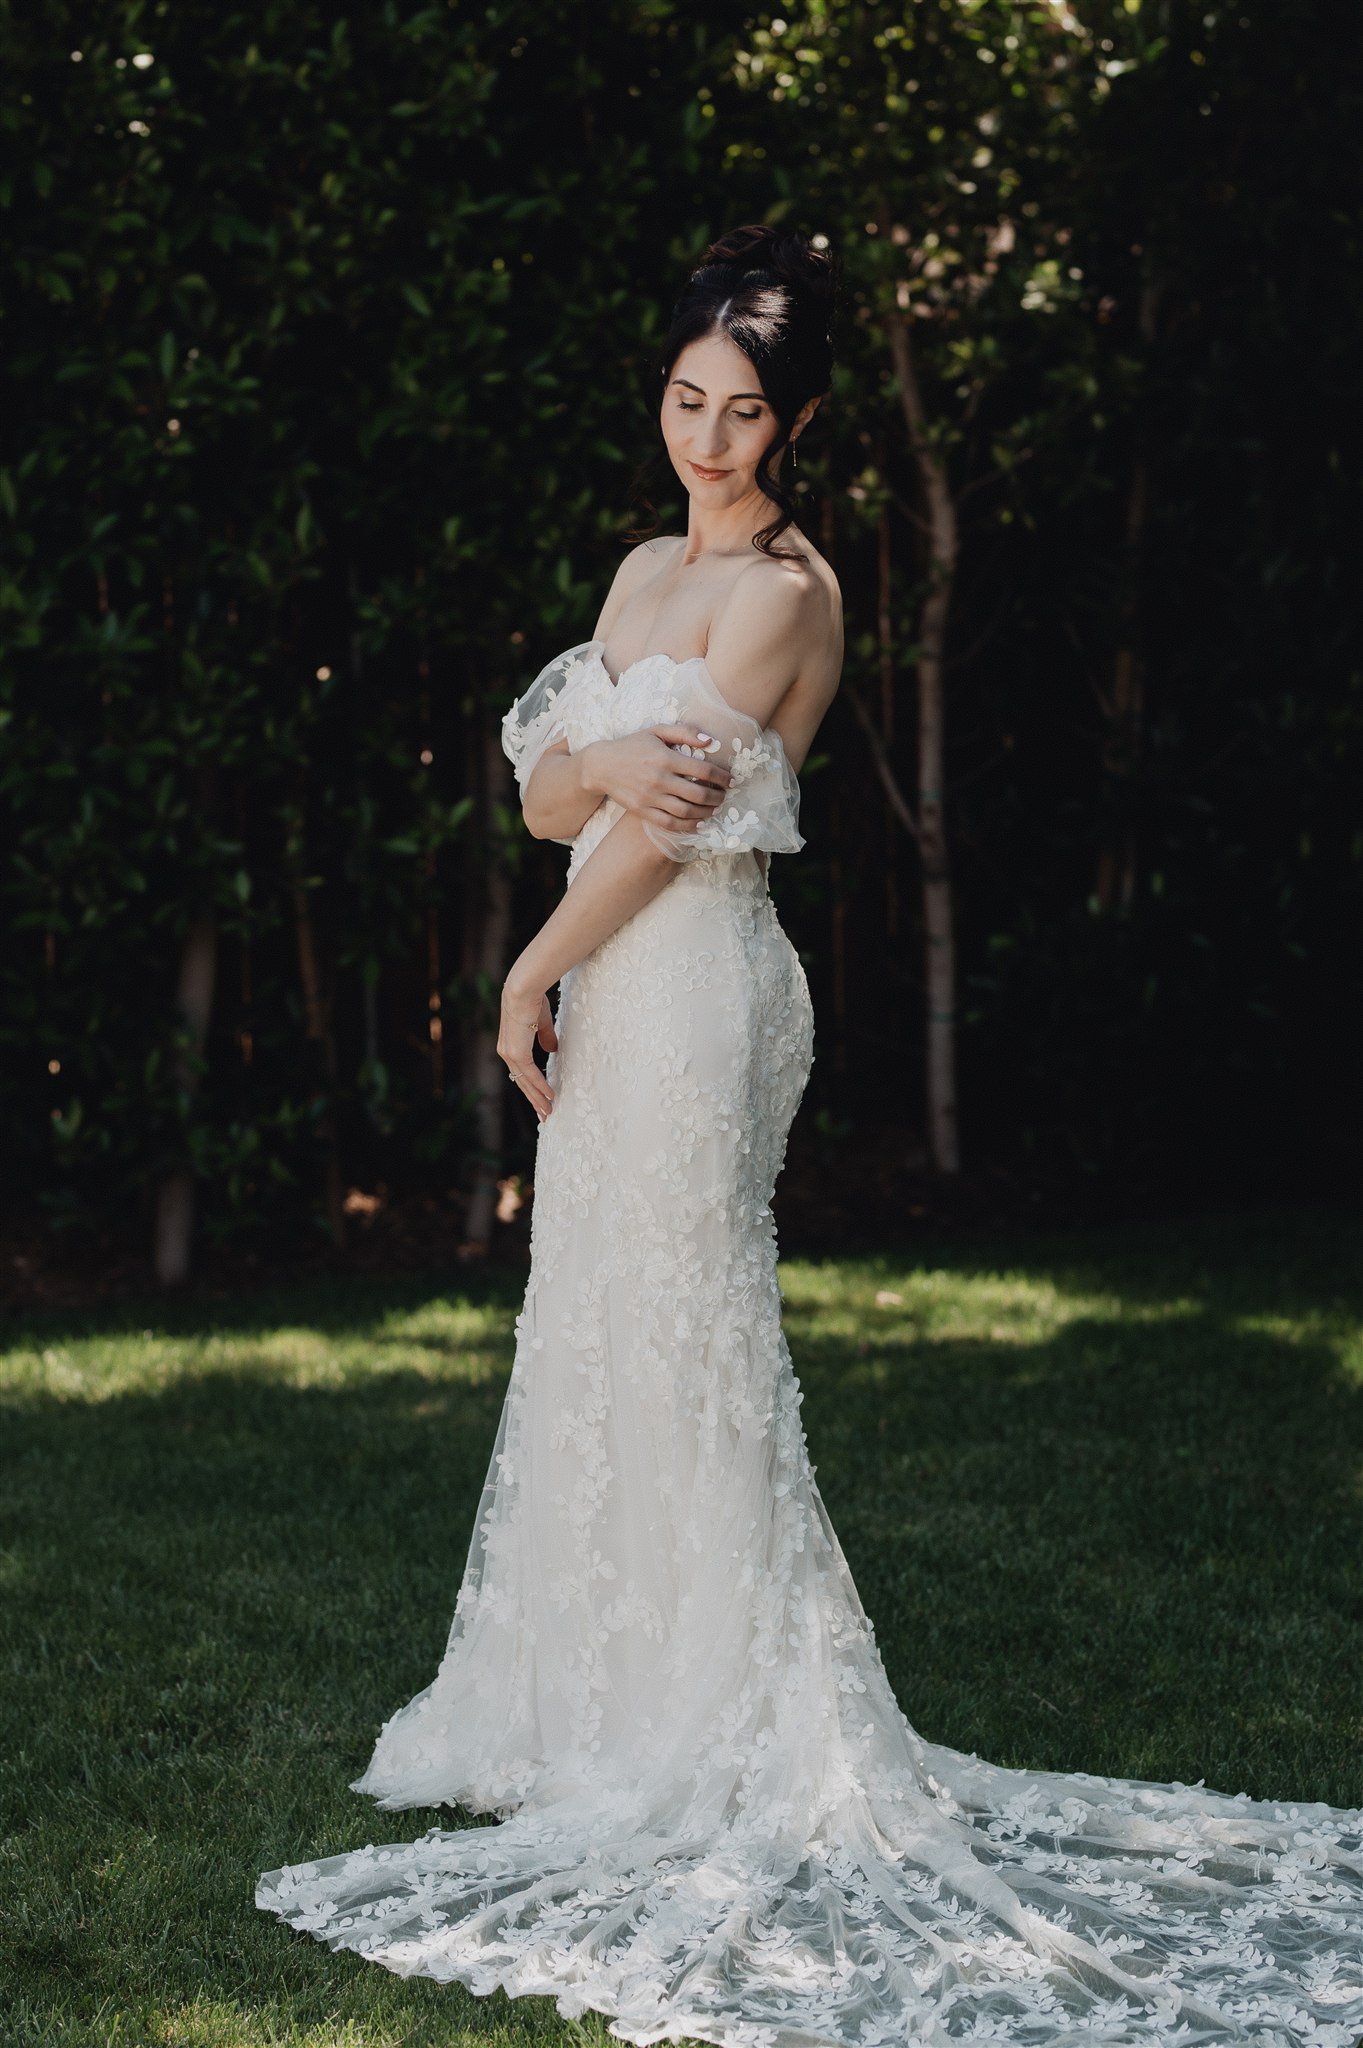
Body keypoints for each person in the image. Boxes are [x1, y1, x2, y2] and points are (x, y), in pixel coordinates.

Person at [257, 226, 1363, 2048]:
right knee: (598, 1322)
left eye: (743, 411)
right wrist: (590, 789)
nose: (707, 437)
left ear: (800, 421)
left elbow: (670, 822)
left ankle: (735, 1716)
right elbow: (550, 778)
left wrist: (531, 957)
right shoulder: (634, 566)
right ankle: (593, 1701)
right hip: (616, 971)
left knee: (697, 1334)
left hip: (692, 993)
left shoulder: (782, 595)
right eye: (686, 401)